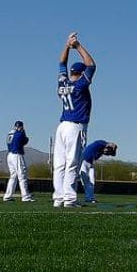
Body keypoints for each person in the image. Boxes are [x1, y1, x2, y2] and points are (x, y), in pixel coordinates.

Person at [53, 33, 96, 208]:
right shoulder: (80, 85)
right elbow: (91, 65)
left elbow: (62, 63)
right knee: (72, 163)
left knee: (59, 165)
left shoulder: (63, 83)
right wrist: (77, 46)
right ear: (81, 73)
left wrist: (66, 45)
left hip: (62, 126)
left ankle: (58, 198)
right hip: (75, 126)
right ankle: (70, 199)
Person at [2, 120, 34, 202]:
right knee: (22, 175)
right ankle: (25, 196)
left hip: (9, 155)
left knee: (13, 176)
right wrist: (23, 132)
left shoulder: (10, 133)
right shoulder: (19, 133)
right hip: (16, 155)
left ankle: (7, 196)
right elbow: (25, 140)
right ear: (21, 126)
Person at [78, 140, 117, 205]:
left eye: (108, 152)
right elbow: (111, 144)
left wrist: (112, 150)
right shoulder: (99, 144)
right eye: (107, 150)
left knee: (92, 181)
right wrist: (114, 147)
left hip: (90, 164)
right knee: (85, 181)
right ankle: (87, 198)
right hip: (83, 162)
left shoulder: (100, 152)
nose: (106, 152)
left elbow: (113, 154)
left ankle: (90, 198)